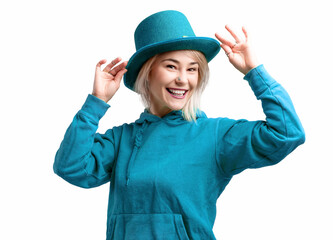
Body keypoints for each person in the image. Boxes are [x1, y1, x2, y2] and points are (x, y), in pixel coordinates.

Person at [54, 10, 305, 240]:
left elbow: (287, 133)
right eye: (171, 66)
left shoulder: (215, 136)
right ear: (147, 72)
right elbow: (70, 167)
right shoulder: (122, 139)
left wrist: (255, 72)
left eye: (192, 69)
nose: (183, 79)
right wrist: (96, 103)